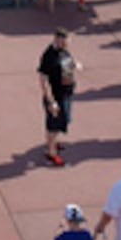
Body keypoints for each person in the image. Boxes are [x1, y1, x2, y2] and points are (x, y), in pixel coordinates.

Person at [38, 28, 79, 167]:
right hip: (56, 97)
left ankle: (52, 143)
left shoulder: (63, 51)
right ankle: (51, 153)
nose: (67, 44)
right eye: (64, 41)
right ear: (57, 39)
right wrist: (51, 101)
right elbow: (43, 80)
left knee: (65, 119)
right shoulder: (48, 56)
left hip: (66, 93)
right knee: (54, 125)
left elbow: (67, 62)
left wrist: (74, 66)